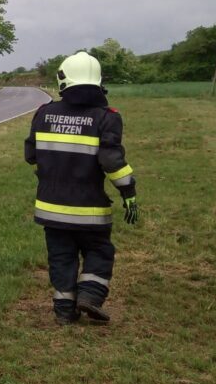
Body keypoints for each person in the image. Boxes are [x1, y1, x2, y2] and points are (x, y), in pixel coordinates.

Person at [24, 51, 138, 325]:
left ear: (63, 79)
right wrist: (128, 192)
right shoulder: (107, 117)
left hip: (51, 209)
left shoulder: (44, 113)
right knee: (99, 251)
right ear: (98, 81)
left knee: (61, 257)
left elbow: (30, 155)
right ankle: (90, 294)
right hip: (90, 210)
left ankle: (64, 310)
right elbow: (111, 161)